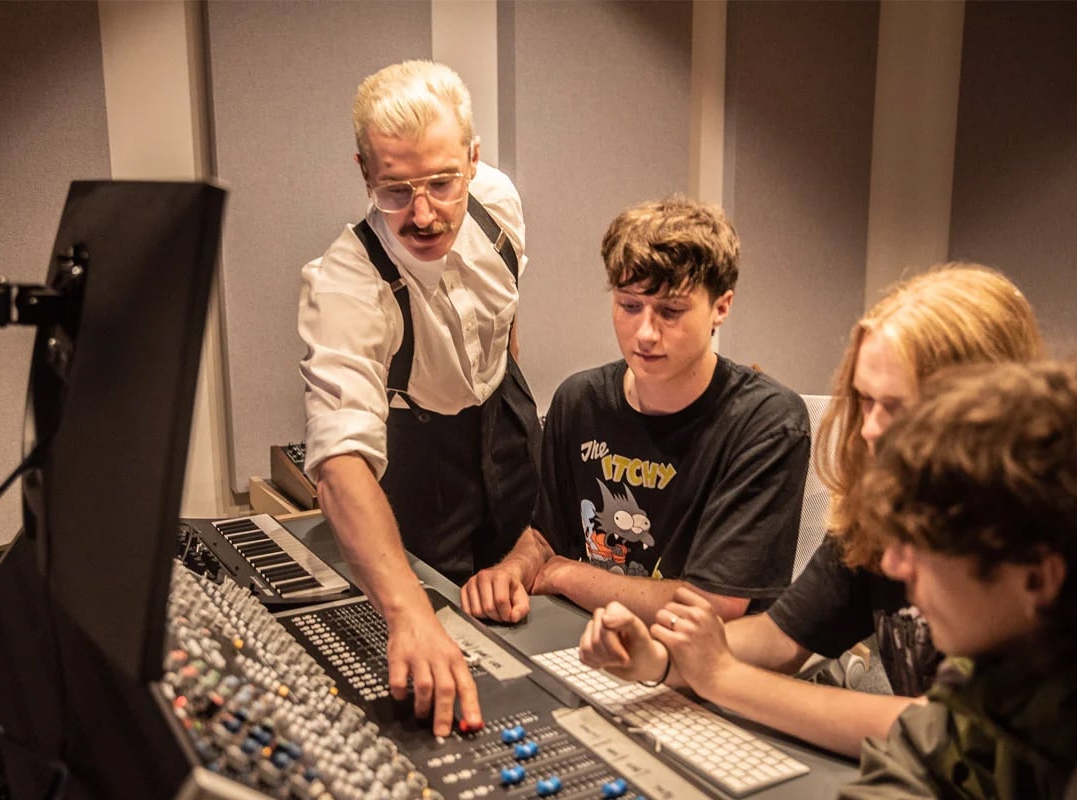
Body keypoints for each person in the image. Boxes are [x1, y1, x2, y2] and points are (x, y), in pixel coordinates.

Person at [577, 264, 1045, 757]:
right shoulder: (884, 506)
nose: (870, 430)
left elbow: (949, 730)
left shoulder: (1032, 544)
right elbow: (783, 636)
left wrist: (723, 678)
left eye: (900, 409)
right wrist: (665, 661)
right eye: (865, 403)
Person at [297, 61, 541, 735]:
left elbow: (506, 315)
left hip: (507, 412)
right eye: (396, 190)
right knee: (440, 625)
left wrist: (505, 398)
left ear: (473, 159)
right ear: (364, 173)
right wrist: (409, 614)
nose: (424, 213)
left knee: (531, 608)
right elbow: (340, 461)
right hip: (421, 455)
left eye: (442, 182)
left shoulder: (500, 201)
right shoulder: (343, 282)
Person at [461, 195, 810, 627]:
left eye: (671, 311)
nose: (644, 334)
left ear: (721, 306)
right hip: (591, 641)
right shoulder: (578, 401)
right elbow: (545, 537)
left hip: (700, 669)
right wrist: (511, 571)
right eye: (629, 306)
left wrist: (569, 575)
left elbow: (714, 604)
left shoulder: (767, 423)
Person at [840, 360, 1077, 799]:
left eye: (922, 545)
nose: (892, 565)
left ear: (1037, 579)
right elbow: (910, 763)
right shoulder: (989, 667)